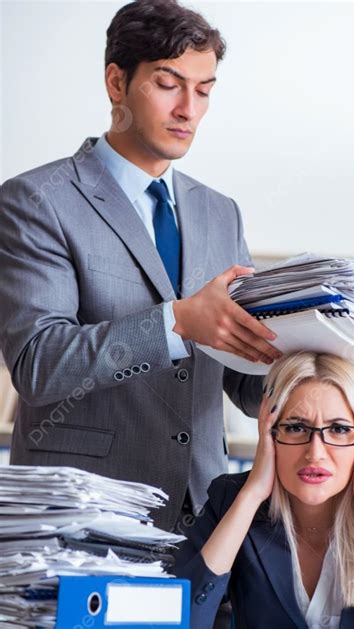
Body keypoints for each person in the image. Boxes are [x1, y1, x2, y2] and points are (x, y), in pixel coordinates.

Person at [0, 0, 282, 532]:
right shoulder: (38, 201)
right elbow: (38, 365)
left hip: (202, 520)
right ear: (117, 83)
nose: (189, 110)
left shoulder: (221, 213)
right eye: (168, 83)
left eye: (204, 90)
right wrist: (176, 323)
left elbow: (245, 383)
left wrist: (323, 351)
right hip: (82, 517)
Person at [173, 352, 354, 628]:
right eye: (295, 427)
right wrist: (251, 496)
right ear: (269, 433)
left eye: (339, 429)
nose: (315, 453)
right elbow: (177, 619)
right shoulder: (231, 500)